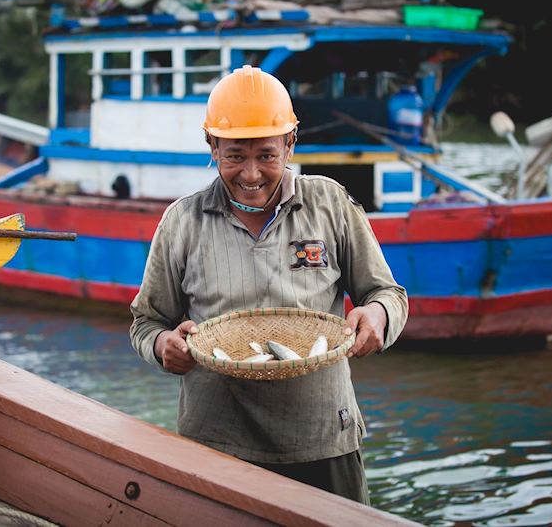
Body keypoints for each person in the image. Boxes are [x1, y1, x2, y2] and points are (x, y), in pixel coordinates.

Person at [130, 65, 408, 504]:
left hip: (323, 439)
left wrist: (377, 316)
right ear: (212, 145)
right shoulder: (182, 221)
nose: (252, 174)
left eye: (267, 155)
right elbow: (146, 322)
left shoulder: (330, 203)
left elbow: (388, 295)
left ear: (290, 142)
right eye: (235, 156)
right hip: (216, 444)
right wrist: (164, 344)